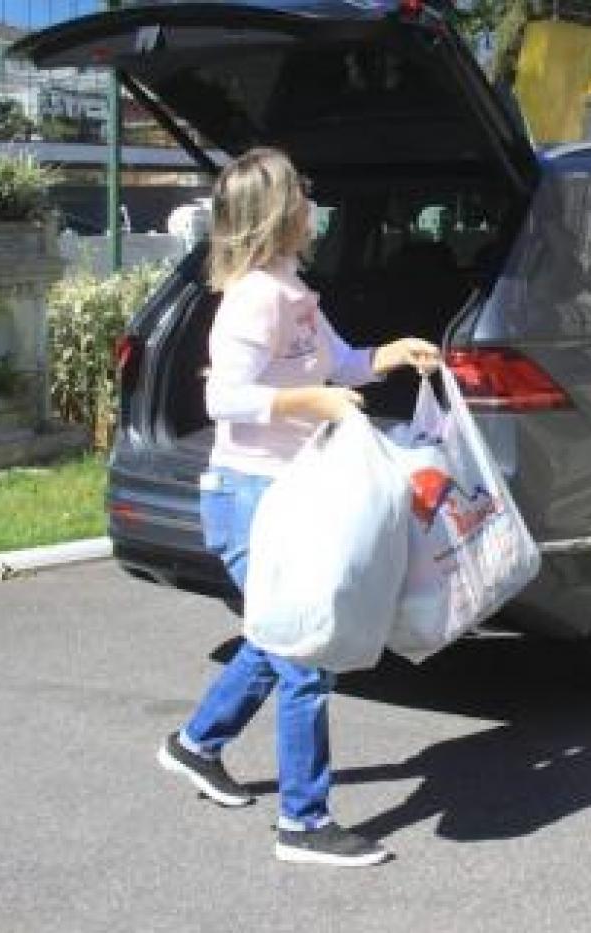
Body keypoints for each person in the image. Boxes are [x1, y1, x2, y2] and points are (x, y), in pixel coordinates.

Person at [156, 147, 441, 867]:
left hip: (289, 492)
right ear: (278, 212)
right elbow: (223, 397)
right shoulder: (253, 296)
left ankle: (196, 744)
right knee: (305, 647)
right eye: (304, 195)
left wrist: (389, 353)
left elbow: (340, 364)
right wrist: (304, 402)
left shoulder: (292, 288)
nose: (315, 205)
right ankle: (303, 821)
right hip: (250, 496)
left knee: (273, 635)